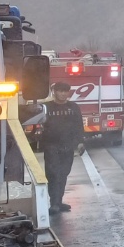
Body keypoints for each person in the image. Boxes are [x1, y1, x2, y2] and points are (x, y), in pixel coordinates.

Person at [40, 81, 84, 214]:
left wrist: (80, 142)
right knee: (53, 174)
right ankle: (53, 203)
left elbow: (79, 125)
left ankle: (59, 201)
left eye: (66, 91)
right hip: (51, 146)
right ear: (54, 92)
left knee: (64, 173)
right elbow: (37, 124)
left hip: (68, 146)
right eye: (60, 91)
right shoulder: (46, 107)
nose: (63, 94)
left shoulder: (73, 107)